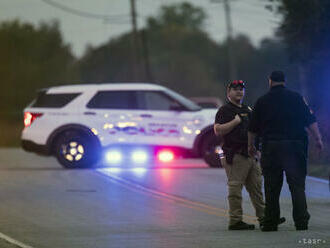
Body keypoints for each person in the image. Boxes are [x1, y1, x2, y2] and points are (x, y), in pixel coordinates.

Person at [248, 71, 323, 232]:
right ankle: (301, 222)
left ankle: (271, 222)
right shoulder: (297, 98)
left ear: (270, 81)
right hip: (295, 147)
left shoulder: (262, 101)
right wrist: (318, 139)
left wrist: (251, 146)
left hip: (271, 148)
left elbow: (252, 128)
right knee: (297, 186)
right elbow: (310, 121)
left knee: (271, 186)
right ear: (284, 81)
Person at [214, 80, 265, 230]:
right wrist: (235, 122)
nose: (239, 92)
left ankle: (264, 218)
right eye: (235, 89)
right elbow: (217, 130)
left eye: (241, 89)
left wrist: (258, 149)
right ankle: (235, 221)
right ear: (228, 93)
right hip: (234, 155)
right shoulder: (225, 110)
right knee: (235, 189)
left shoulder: (248, 109)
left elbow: (256, 130)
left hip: (250, 154)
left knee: (256, 188)